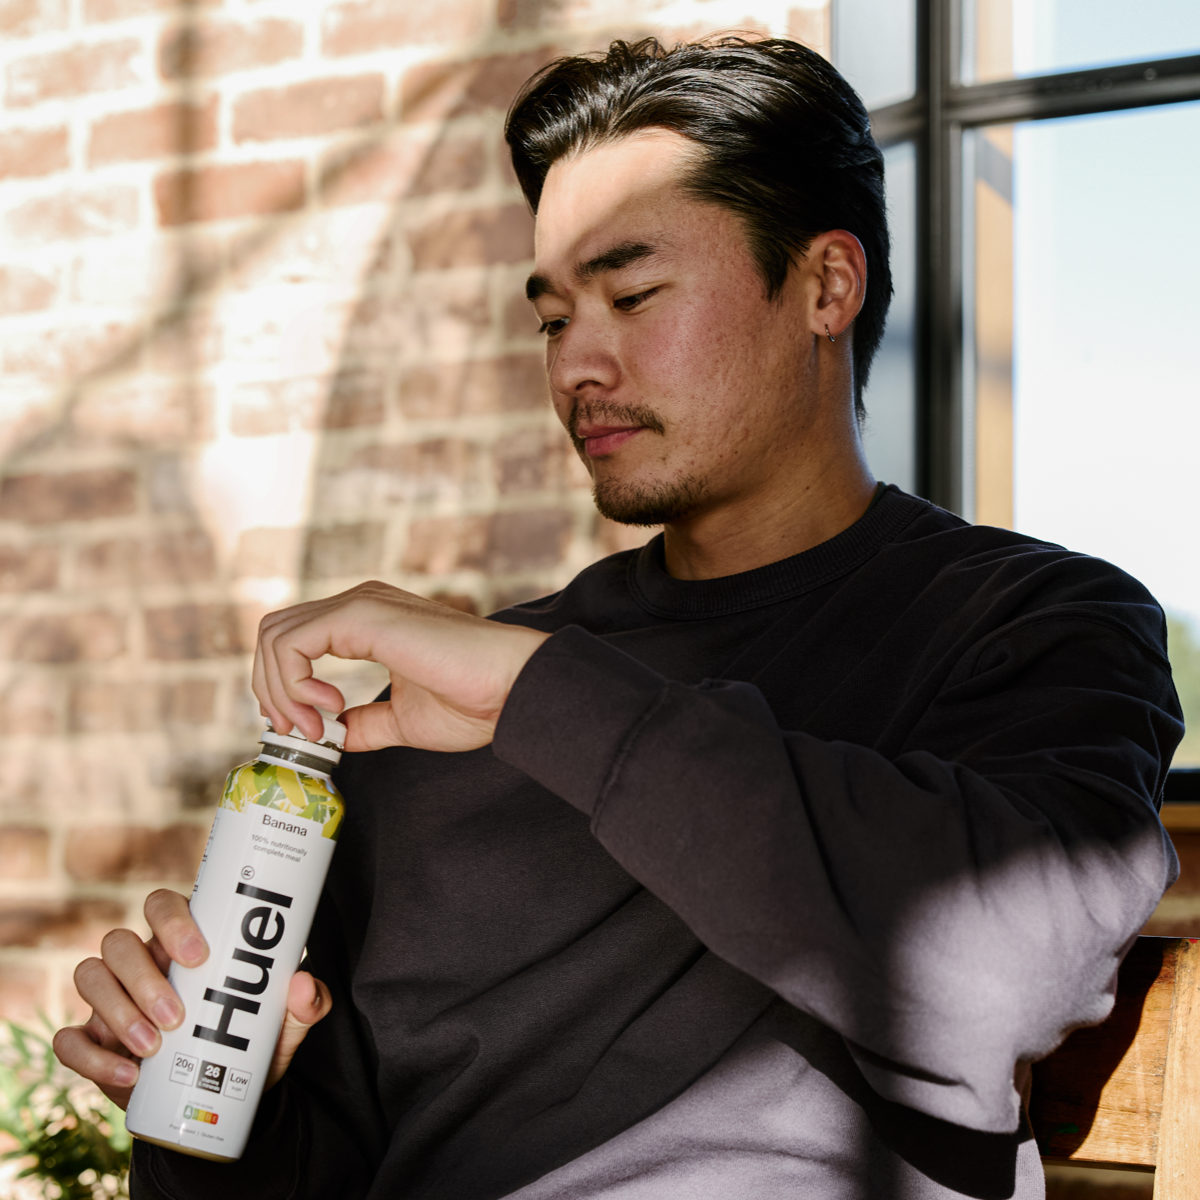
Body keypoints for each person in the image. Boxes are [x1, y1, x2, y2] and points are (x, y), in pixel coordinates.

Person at [55, 37, 1182, 1200]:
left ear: (825, 287)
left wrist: (538, 696)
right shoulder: (435, 714)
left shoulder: (1035, 624)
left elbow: (996, 973)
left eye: (633, 296)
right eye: (553, 320)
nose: (576, 368)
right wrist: (207, 1103)